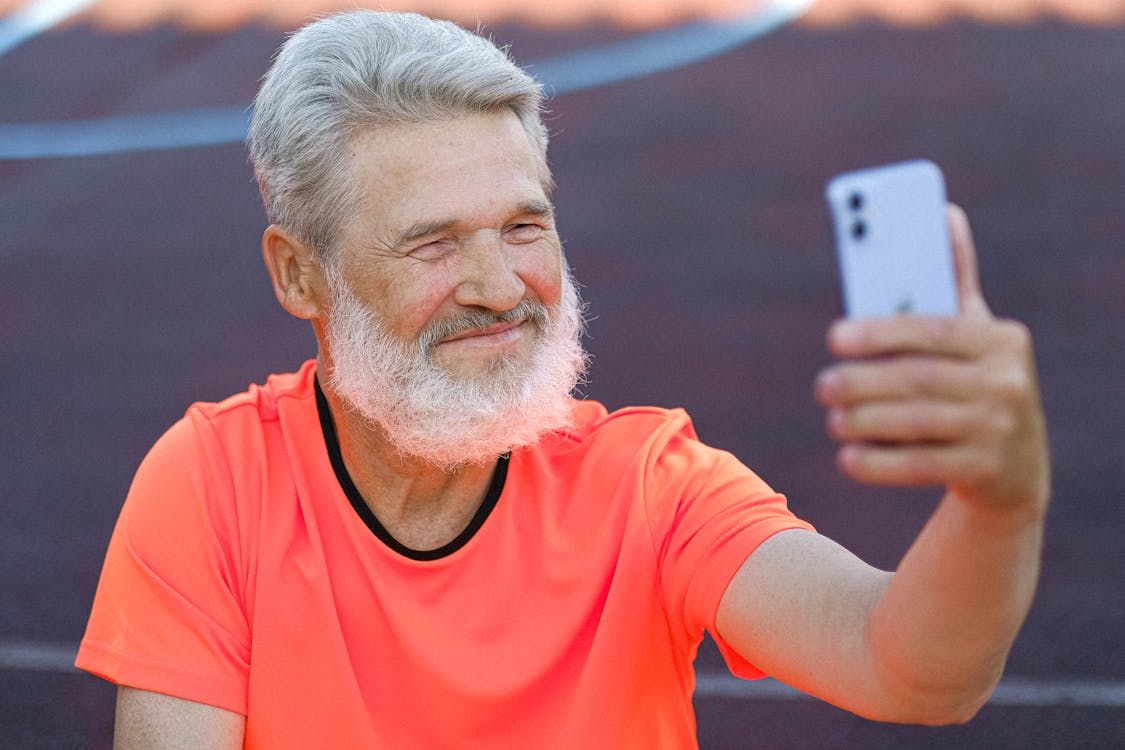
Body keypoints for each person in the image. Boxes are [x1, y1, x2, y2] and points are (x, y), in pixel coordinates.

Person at [75, 9, 1050, 749]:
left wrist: (1000, 499)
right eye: (433, 242)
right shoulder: (211, 484)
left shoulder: (650, 485)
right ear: (299, 274)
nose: (501, 287)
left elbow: (909, 670)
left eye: (523, 225)